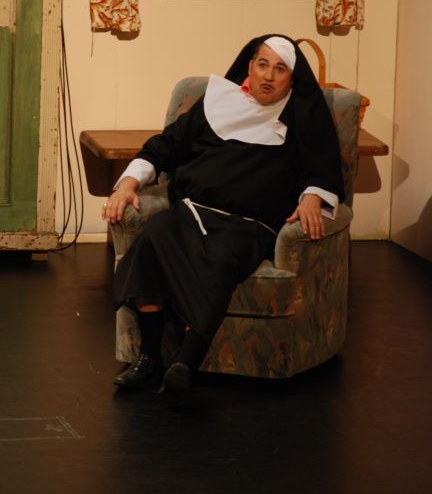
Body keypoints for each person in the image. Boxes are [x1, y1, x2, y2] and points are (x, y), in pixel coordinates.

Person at [103, 34, 344, 402]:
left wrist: (312, 195)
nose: (268, 76)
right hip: (191, 212)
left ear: (291, 79)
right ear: (249, 66)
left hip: (248, 226)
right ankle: (149, 358)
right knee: (153, 236)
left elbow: (323, 169)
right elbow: (165, 146)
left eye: (280, 69)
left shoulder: (302, 119)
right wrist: (128, 184)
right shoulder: (216, 103)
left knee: (219, 259)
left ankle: (185, 363)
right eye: (262, 65)